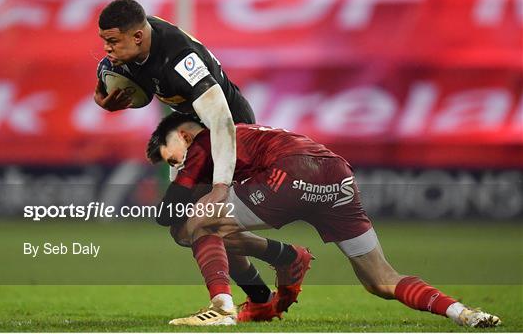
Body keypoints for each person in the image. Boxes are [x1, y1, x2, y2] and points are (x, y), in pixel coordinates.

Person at [146, 112, 502, 328]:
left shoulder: (204, 140)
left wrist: (182, 201)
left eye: (171, 157)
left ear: (185, 136)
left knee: (191, 226)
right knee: (380, 280)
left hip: (290, 173)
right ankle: (461, 313)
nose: (176, 166)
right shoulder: (248, 133)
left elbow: (169, 213)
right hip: (336, 172)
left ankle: (225, 305)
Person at [94, 0, 290, 320]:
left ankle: (224, 306)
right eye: (104, 41)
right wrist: (103, 98)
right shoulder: (135, 38)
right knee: (184, 227)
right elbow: (106, 81)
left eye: (112, 42)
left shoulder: (180, 58)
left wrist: (219, 187)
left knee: (196, 224)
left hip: (230, 134)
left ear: (138, 38)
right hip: (193, 135)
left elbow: (223, 122)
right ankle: (267, 284)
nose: (106, 49)